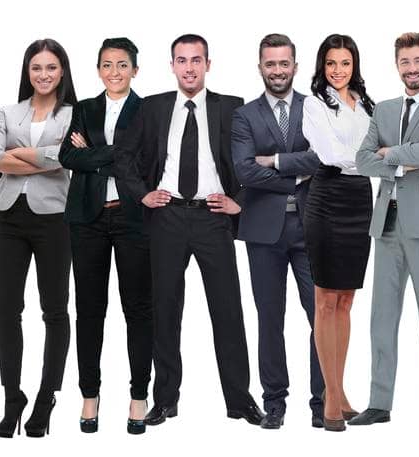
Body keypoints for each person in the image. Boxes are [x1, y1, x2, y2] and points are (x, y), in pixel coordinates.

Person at [112, 34, 263, 428]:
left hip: (214, 216)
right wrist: (143, 194)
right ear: (172, 65)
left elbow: (255, 159)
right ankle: (165, 400)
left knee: (228, 310)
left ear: (208, 64)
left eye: (197, 60)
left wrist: (240, 200)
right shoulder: (153, 107)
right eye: (182, 60)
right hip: (168, 217)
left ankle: (239, 399)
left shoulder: (231, 107)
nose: (190, 67)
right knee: (165, 310)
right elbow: (123, 157)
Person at [350, 32, 419, 430]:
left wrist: (388, 153)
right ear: (396, 65)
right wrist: (399, 162)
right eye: (405, 63)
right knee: (381, 318)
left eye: (418, 61)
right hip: (388, 225)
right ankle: (379, 403)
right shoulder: (383, 110)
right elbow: (362, 160)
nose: (411, 69)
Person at [0, 38, 76, 438]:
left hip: (55, 218)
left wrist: (18, 158)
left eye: (51, 68)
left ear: (62, 72)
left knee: (54, 311)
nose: (43, 75)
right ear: (27, 71)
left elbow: (68, 159)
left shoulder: (75, 115)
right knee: (6, 312)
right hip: (8, 218)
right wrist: (46, 158)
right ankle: (12, 396)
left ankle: (46, 395)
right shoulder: (7, 111)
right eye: (37, 68)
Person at [229, 33, 322, 430]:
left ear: (295, 67)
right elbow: (244, 169)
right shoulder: (244, 116)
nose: (278, 71)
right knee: (270, 318)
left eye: (284, 64)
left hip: (311, 228)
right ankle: (275, 402)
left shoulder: (315, 108)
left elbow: (324, 158)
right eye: (271, 64)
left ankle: (323, 400)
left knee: (321, 316)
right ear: (261, 67)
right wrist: (297, 175)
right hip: (263, 231)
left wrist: (278, 161)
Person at [58, 37, 150, 435]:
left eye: (123, 64)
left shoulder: (148, 110)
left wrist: (95, 154)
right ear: (98, 70)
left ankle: (138, 395)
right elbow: (67, 156)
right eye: (108, 65)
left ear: (135, 69)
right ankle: (90, 395)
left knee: (138, 310)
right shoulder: (85, 108)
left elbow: (146, 161)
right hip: (87, 220)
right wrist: (116, 154)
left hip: (134, 220)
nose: (115, 72)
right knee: (90, 310)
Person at [298, 33, 375, 432]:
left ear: (354, 65)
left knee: (346, 302)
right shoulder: (314, 104)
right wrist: (371, 159)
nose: (338, 71)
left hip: (360, 201)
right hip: (327, 199)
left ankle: (340, 391)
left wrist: (373, 160)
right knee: (325, 301)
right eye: (331, 64)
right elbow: (329, 154)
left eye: (345, 63)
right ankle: (330, 397)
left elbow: (382, 148)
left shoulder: (366, 104)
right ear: (322, 66)